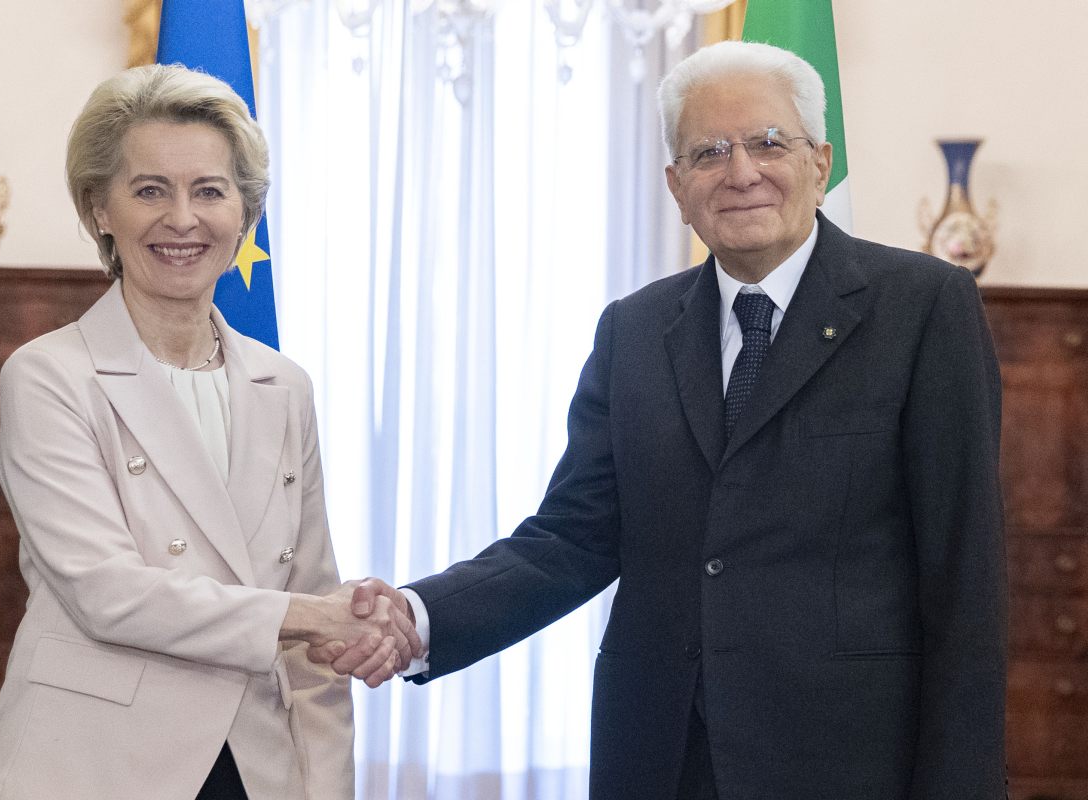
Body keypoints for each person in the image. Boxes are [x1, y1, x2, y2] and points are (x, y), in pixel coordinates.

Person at [320, 40, 1007, 799]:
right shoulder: (635, 331)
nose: (741, 172)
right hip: (660, 756)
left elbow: (964, 577)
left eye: (768, 143)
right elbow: (572, 537)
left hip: (848, 763)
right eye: (709, 152)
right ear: (678, 186)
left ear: (820, 163)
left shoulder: (923, 308)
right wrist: (418, 616)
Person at [0, 64, 418, 800]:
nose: (182, 219)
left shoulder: (285, 386)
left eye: (210, 191)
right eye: (150, 190)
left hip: (256, 768)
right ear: (100, 209)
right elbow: (110, 593)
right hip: (90, 768)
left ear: (245, 213)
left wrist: (327, 785)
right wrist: (318, 617)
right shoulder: (48, 376)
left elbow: (312, 632)